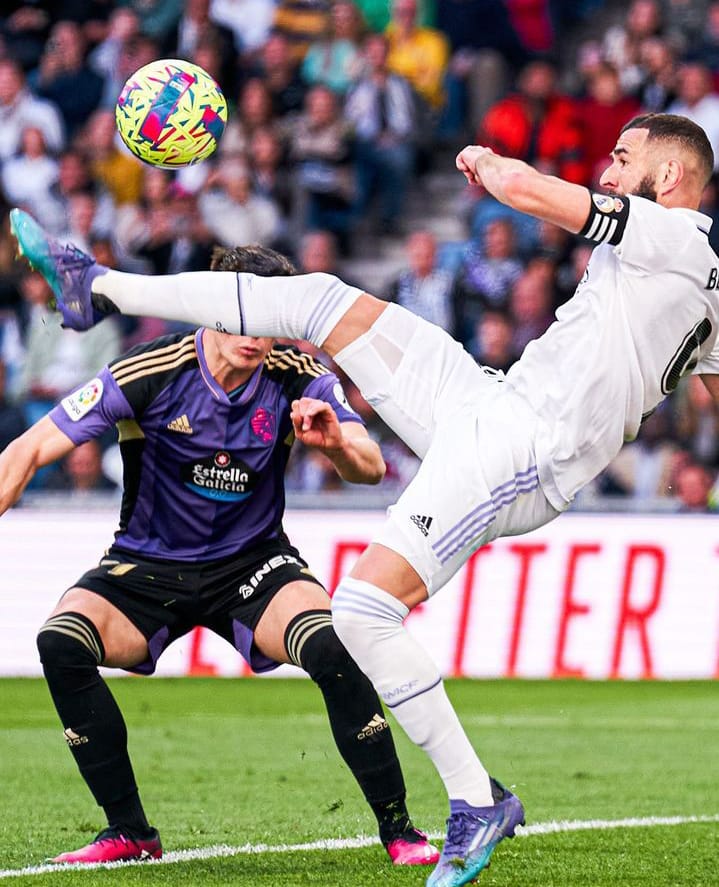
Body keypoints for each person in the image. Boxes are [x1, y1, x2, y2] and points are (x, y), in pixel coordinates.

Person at [11, 111, 719, 887]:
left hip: (526, 448)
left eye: (622, 159)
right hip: (488, 401)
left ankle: (474, 797)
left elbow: (523, 188)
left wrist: (485, 160)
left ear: (670, 177)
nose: (609, 172)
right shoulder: (702, 280)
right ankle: (99, 287)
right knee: (318, 300)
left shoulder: (675, 237)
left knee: (358, 611)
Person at [0, 245, 439, 869]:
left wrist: (335, 441)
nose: (256, 337)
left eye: (269, 320)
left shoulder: (298, 375)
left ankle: (400, 829)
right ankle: (130, 833)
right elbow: (25, 453)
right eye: (241, 317)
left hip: (253, 566)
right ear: (209, 306)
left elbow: (369, 466)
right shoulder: (146, 372)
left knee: (332, 641)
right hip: (145, 567)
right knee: (61, 643)